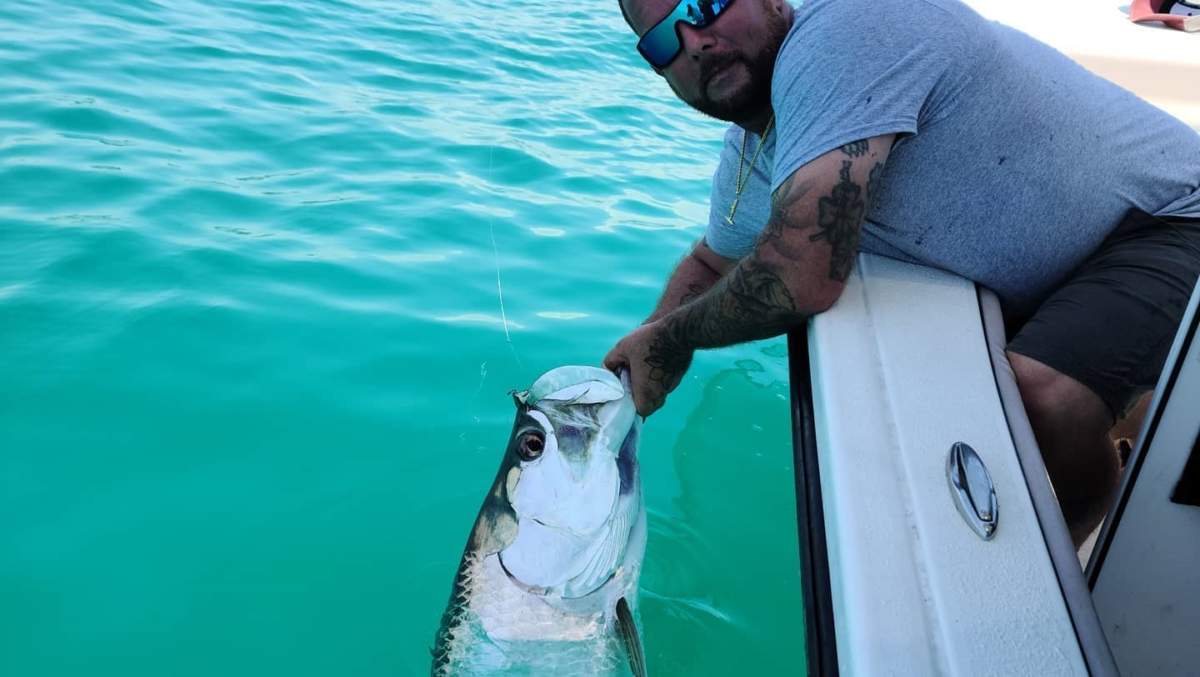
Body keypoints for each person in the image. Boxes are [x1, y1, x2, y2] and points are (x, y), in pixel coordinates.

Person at [601, 0, 1200, 546]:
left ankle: (1079, 541)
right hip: (1067, 265)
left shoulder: (844, 30)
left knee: (1039, 391)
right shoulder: (753, 151)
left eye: (704, 7)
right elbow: (712, 262)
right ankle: (1142, 418)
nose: (694, 42)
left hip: (1169, 217)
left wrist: (672, 338)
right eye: (663, 44)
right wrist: (639, 359)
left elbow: (801, 275)